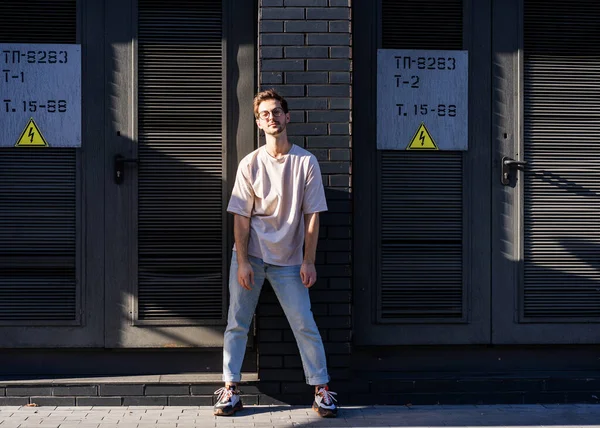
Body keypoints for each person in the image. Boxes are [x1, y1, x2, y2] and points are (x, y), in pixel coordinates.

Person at [213, 89, 338, 418]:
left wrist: (308, 260)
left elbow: (312, 217)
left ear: (287, 117)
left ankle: (322, 389)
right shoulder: (250, 163)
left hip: (290, 261)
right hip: (251, 255)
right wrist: (241, 261)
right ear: (258, 122)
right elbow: (241, 219)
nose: (272, 117)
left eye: (276, 112)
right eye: (265, 114)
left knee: (304, 323)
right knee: (237, 323)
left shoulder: (305, 162)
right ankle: (230, 390)